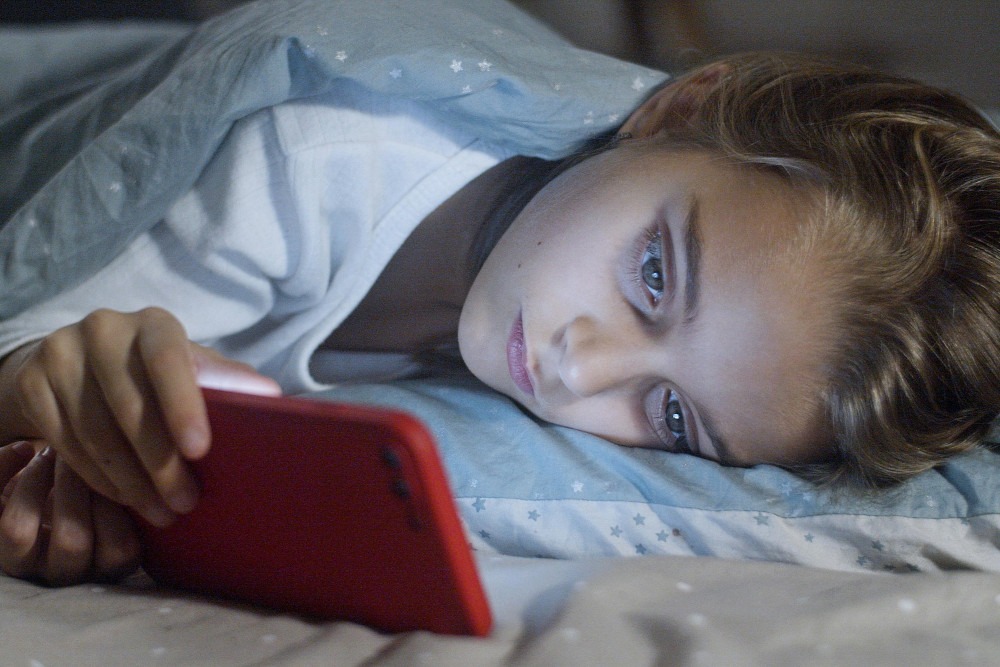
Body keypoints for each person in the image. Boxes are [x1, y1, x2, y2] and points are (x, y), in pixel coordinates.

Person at [1, 51, 999, 585]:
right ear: (676, 111)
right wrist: (38, 384)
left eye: (673, 415)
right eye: (653, 273)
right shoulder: (305, 158)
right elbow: (32, 340)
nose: (581, 368)